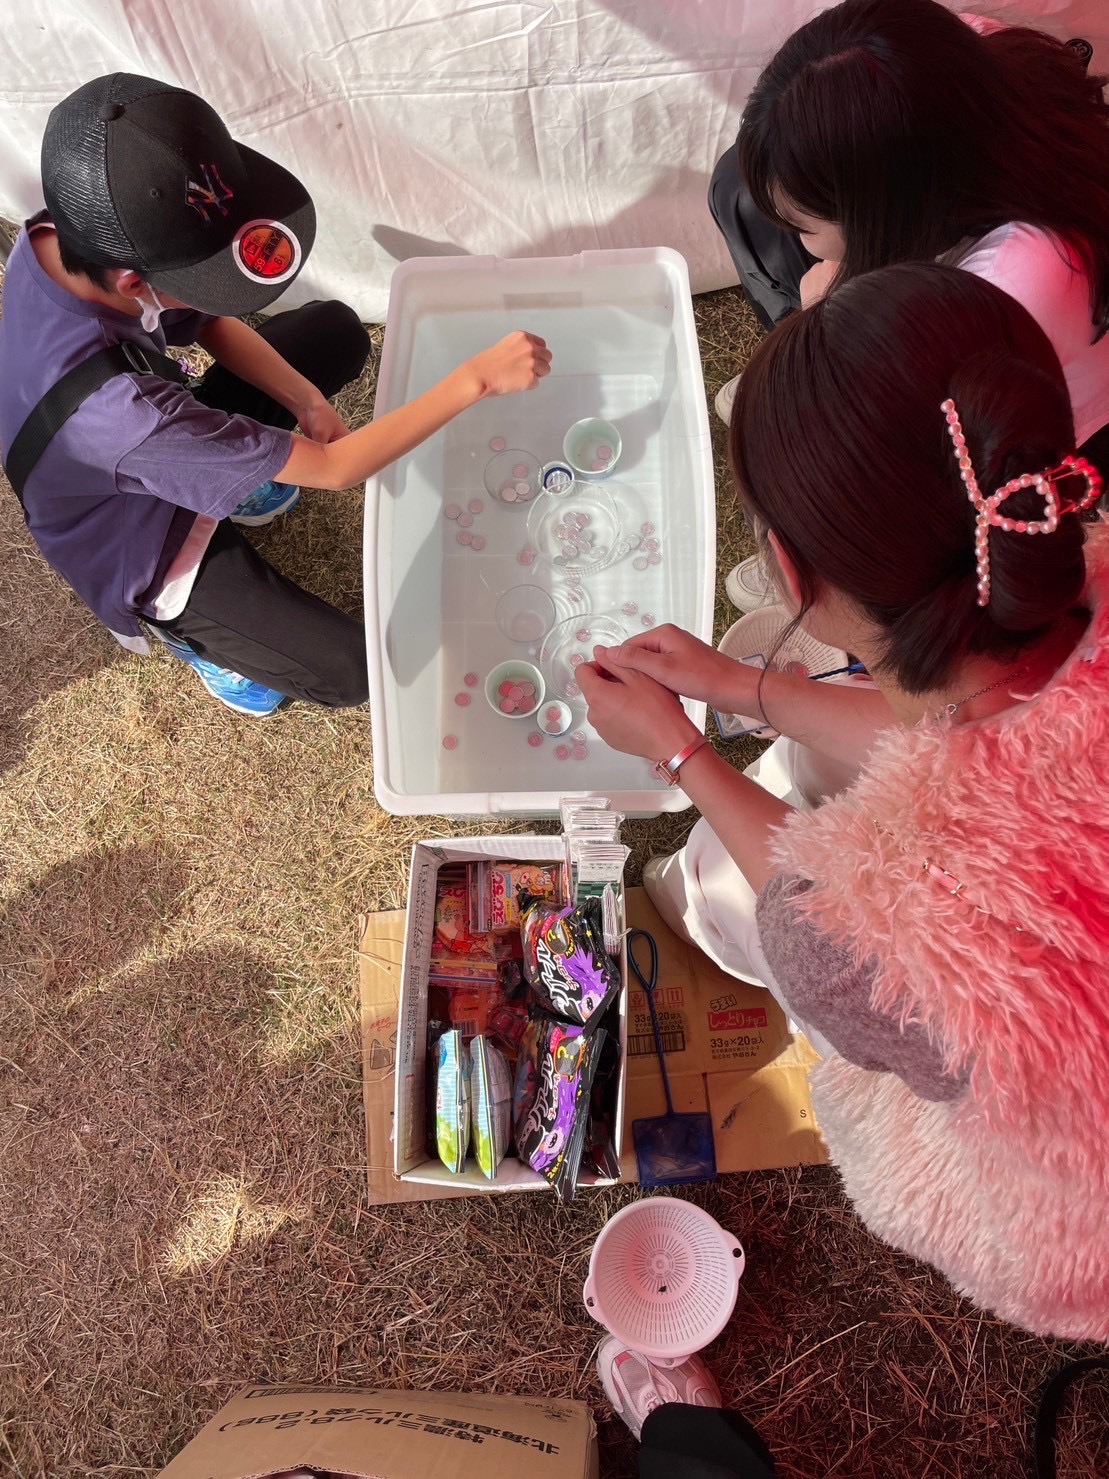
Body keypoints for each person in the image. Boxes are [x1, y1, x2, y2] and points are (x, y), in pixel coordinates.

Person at [579, 262, 1109, 1342]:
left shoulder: (866, 930)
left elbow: (824, 893)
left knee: (731, 907)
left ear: (787, 570)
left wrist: (681, 749)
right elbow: (990, 726)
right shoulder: (1074, 597)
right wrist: (743, 689)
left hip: (1072, 1206)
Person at [0, 74, 550, 715]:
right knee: (352, 672)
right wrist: (476, 379)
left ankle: (232, 481)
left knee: (334, 332)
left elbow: (207, 322)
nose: (214, 291)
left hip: (145, 436)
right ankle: (198, 641)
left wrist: (307, 402)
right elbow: (336, 469)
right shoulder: (126, 415)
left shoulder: (58, 237)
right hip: (132, 532)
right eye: (202, 277)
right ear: (130, 282)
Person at [709, 0, 1109, 610]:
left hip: (1029, 429)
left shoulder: (1001, 294)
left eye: (805, 226)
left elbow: (892, 420)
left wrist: (820, 315)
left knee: (854, 453)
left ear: (888, 213)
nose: (797, 239)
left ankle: (824, 570)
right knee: (738, 183)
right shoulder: (966, 63)